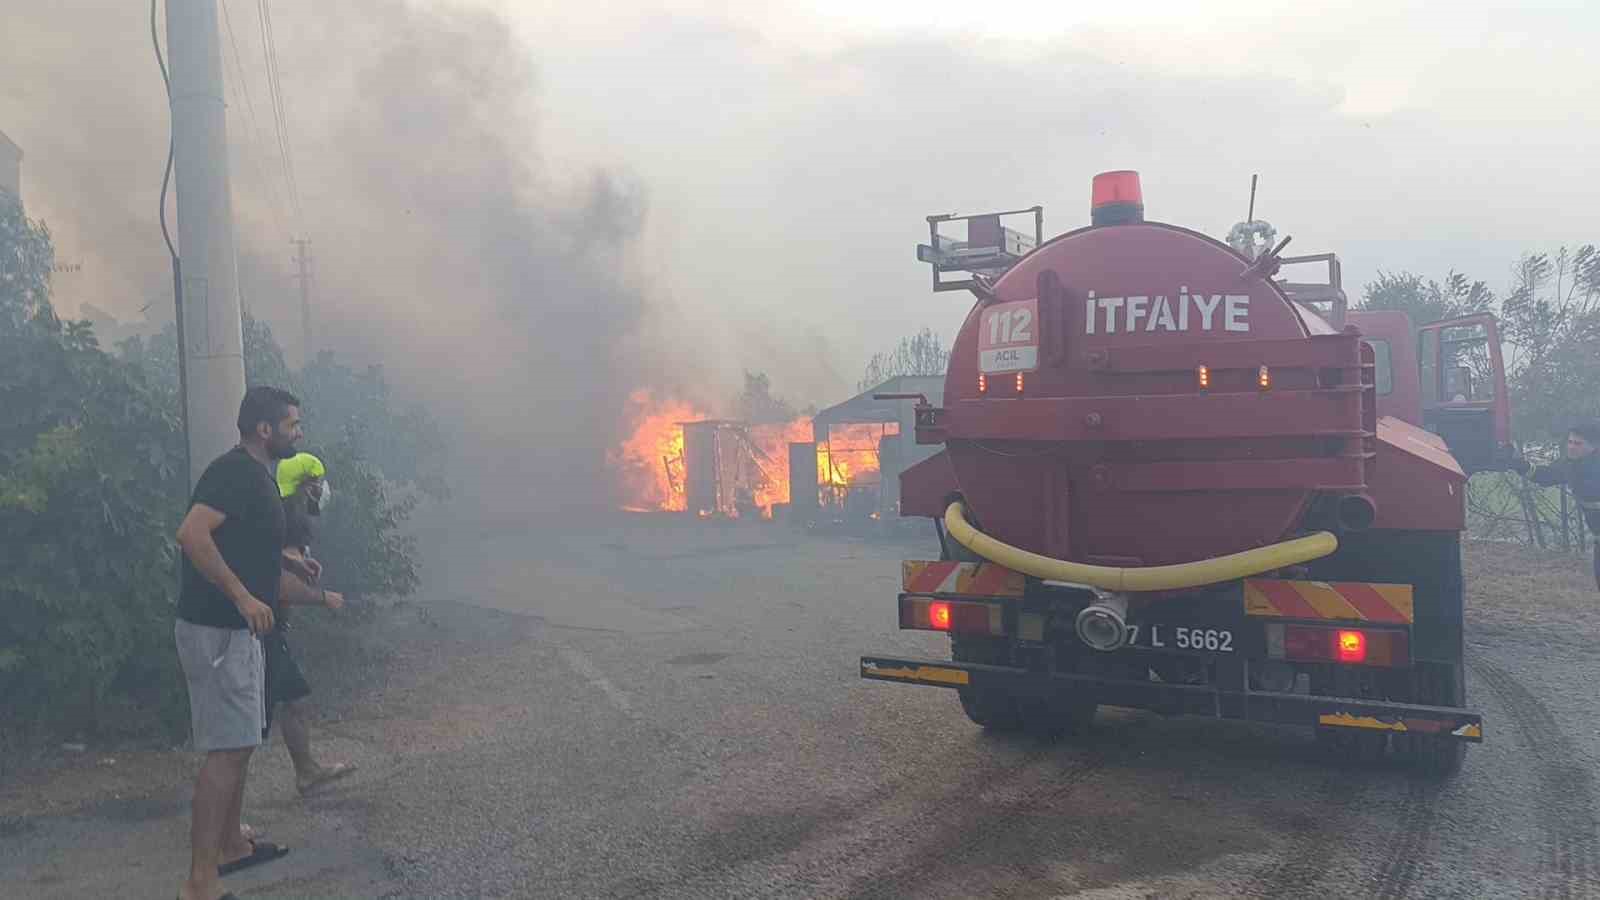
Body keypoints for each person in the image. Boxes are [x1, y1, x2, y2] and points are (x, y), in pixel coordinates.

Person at [173, 386, 303, 900]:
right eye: (292, 424)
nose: (299, 432)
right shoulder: (233, 471)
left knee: (241, 740)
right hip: (219, 630)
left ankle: (230, 845)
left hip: (239, 632)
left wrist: (289, 561)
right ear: (264, 430)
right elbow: (191, 534)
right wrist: (244, 597)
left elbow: (243, 537)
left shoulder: (255, 477)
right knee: (226, 750)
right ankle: (200, 882)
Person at [265, 451, 356, 796]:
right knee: (280, 707)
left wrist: (301, 565)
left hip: (270, 628)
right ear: (304, 486)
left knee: (291, 700)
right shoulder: (288, 522)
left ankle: (306, 771)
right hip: (263, 629)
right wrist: (323, 598)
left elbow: (285, 565)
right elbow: (278, 581)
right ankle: (228, 815)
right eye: (317, 482)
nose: (323, 488)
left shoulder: (286, 517)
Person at [1527, 421, 1600, 591]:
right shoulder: (1573, 465)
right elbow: (1547, 476)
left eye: (1578, 443)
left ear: (1594, 446)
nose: (1571, 447)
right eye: (1570, 442)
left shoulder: (1581, 467)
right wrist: (1517, 464)